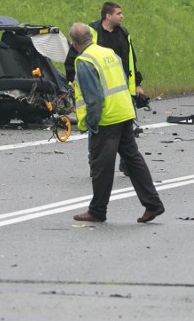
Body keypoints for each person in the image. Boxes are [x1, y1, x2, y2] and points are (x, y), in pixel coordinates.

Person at [68, 23, 164, 224]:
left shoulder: (85, 60)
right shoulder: (109, 53)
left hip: (107, 118)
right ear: (91, 37)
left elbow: (94, 98)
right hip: (124, 112)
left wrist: (89, 123)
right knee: (133, 160)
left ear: (73, 43)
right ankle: (153, 203)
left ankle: (97, 211)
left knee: (101, 166)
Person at [65, 2, 144, 99]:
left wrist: (137, 84)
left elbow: (131, 60)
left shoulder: (123, 33)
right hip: (97, 87)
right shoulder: (90, 32)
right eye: (118, 14)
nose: (122, 16)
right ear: (108, 16)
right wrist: (73, 80)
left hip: (121, 87)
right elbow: (73, 58)